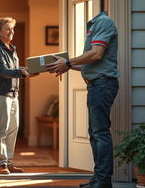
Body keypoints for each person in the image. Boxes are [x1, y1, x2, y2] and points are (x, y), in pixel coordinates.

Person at [46, 12, 119, 188]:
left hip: (102, 84)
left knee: (100, 133)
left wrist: (68, 62)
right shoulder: (95, 25)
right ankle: (99, 178)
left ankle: (102, 181)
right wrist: (66, 66)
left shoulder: (103, 22)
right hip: (97, 84)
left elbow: (96, 54)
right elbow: (92, 62)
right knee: (95, 133)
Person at [0, 17, 36, 174]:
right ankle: (0, 163)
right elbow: (2, 71)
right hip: (2, 94)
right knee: (2, 128)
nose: (11, 31)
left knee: (13, 128)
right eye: (8, 28)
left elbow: (15, 68)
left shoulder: (12, 49)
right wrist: (22, 73)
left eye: (12, 29)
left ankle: (9, 162)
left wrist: (30, 70)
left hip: (14, 94)